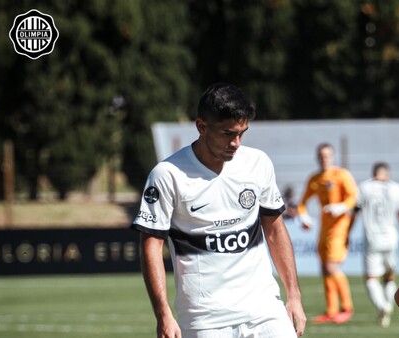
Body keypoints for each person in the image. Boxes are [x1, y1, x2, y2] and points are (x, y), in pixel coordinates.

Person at [131, 83, 307, 338]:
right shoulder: (167, 175)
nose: (236, 143)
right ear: (202, 126)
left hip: (264, 310)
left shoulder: (257, 163)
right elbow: (151, 246)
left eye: (242, 133)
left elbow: (275, 229)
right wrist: (163, 313)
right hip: (205, 320)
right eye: (227, 133)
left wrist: (294, 296)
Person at [297, 143, 358, 324]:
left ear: (332, 157)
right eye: (321, 155)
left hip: (339, 228)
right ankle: (331, 310)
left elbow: (353, 197)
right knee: (324, 269)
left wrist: (341, 207)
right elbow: (302, 203)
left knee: (332, 267)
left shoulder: (341, 175)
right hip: (324, 229)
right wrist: (304, 217)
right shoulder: (315, 179)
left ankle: (347, 308)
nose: (324, 159)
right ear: (317, 158)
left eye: (327, 155)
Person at [351, 162, 399, 327]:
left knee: (371, 278)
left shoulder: (365, 187)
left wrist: (347, 233)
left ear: (374, 173)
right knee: (389, 277)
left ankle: (383, 306)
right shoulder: (397, 189)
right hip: (391, 239)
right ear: (387, 173)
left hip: (371, 239)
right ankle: (387, 308)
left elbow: (354, 213)